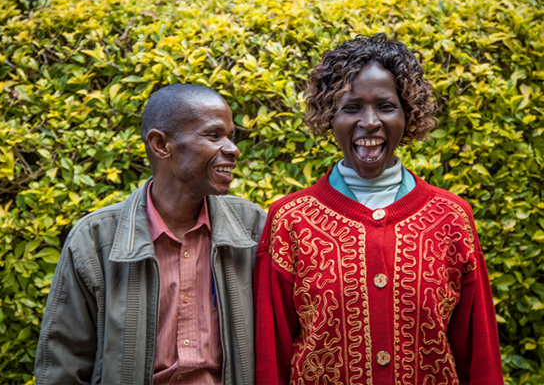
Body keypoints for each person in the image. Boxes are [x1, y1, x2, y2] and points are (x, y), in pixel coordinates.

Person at [254, 34, 503, 384]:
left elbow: (479, 355)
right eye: (352, 107)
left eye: (386, 106)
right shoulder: (292, 219)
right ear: (330, 116)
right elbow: (271, 356)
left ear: (408, 114)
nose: (369, 122)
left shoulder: (451, 217)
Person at [35, 84, 266, 385]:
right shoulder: (95, 240)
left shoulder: (254, 229)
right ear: (161, 144)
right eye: (214, 135)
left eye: (231, 137)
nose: (233, 150)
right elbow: (62, 368)